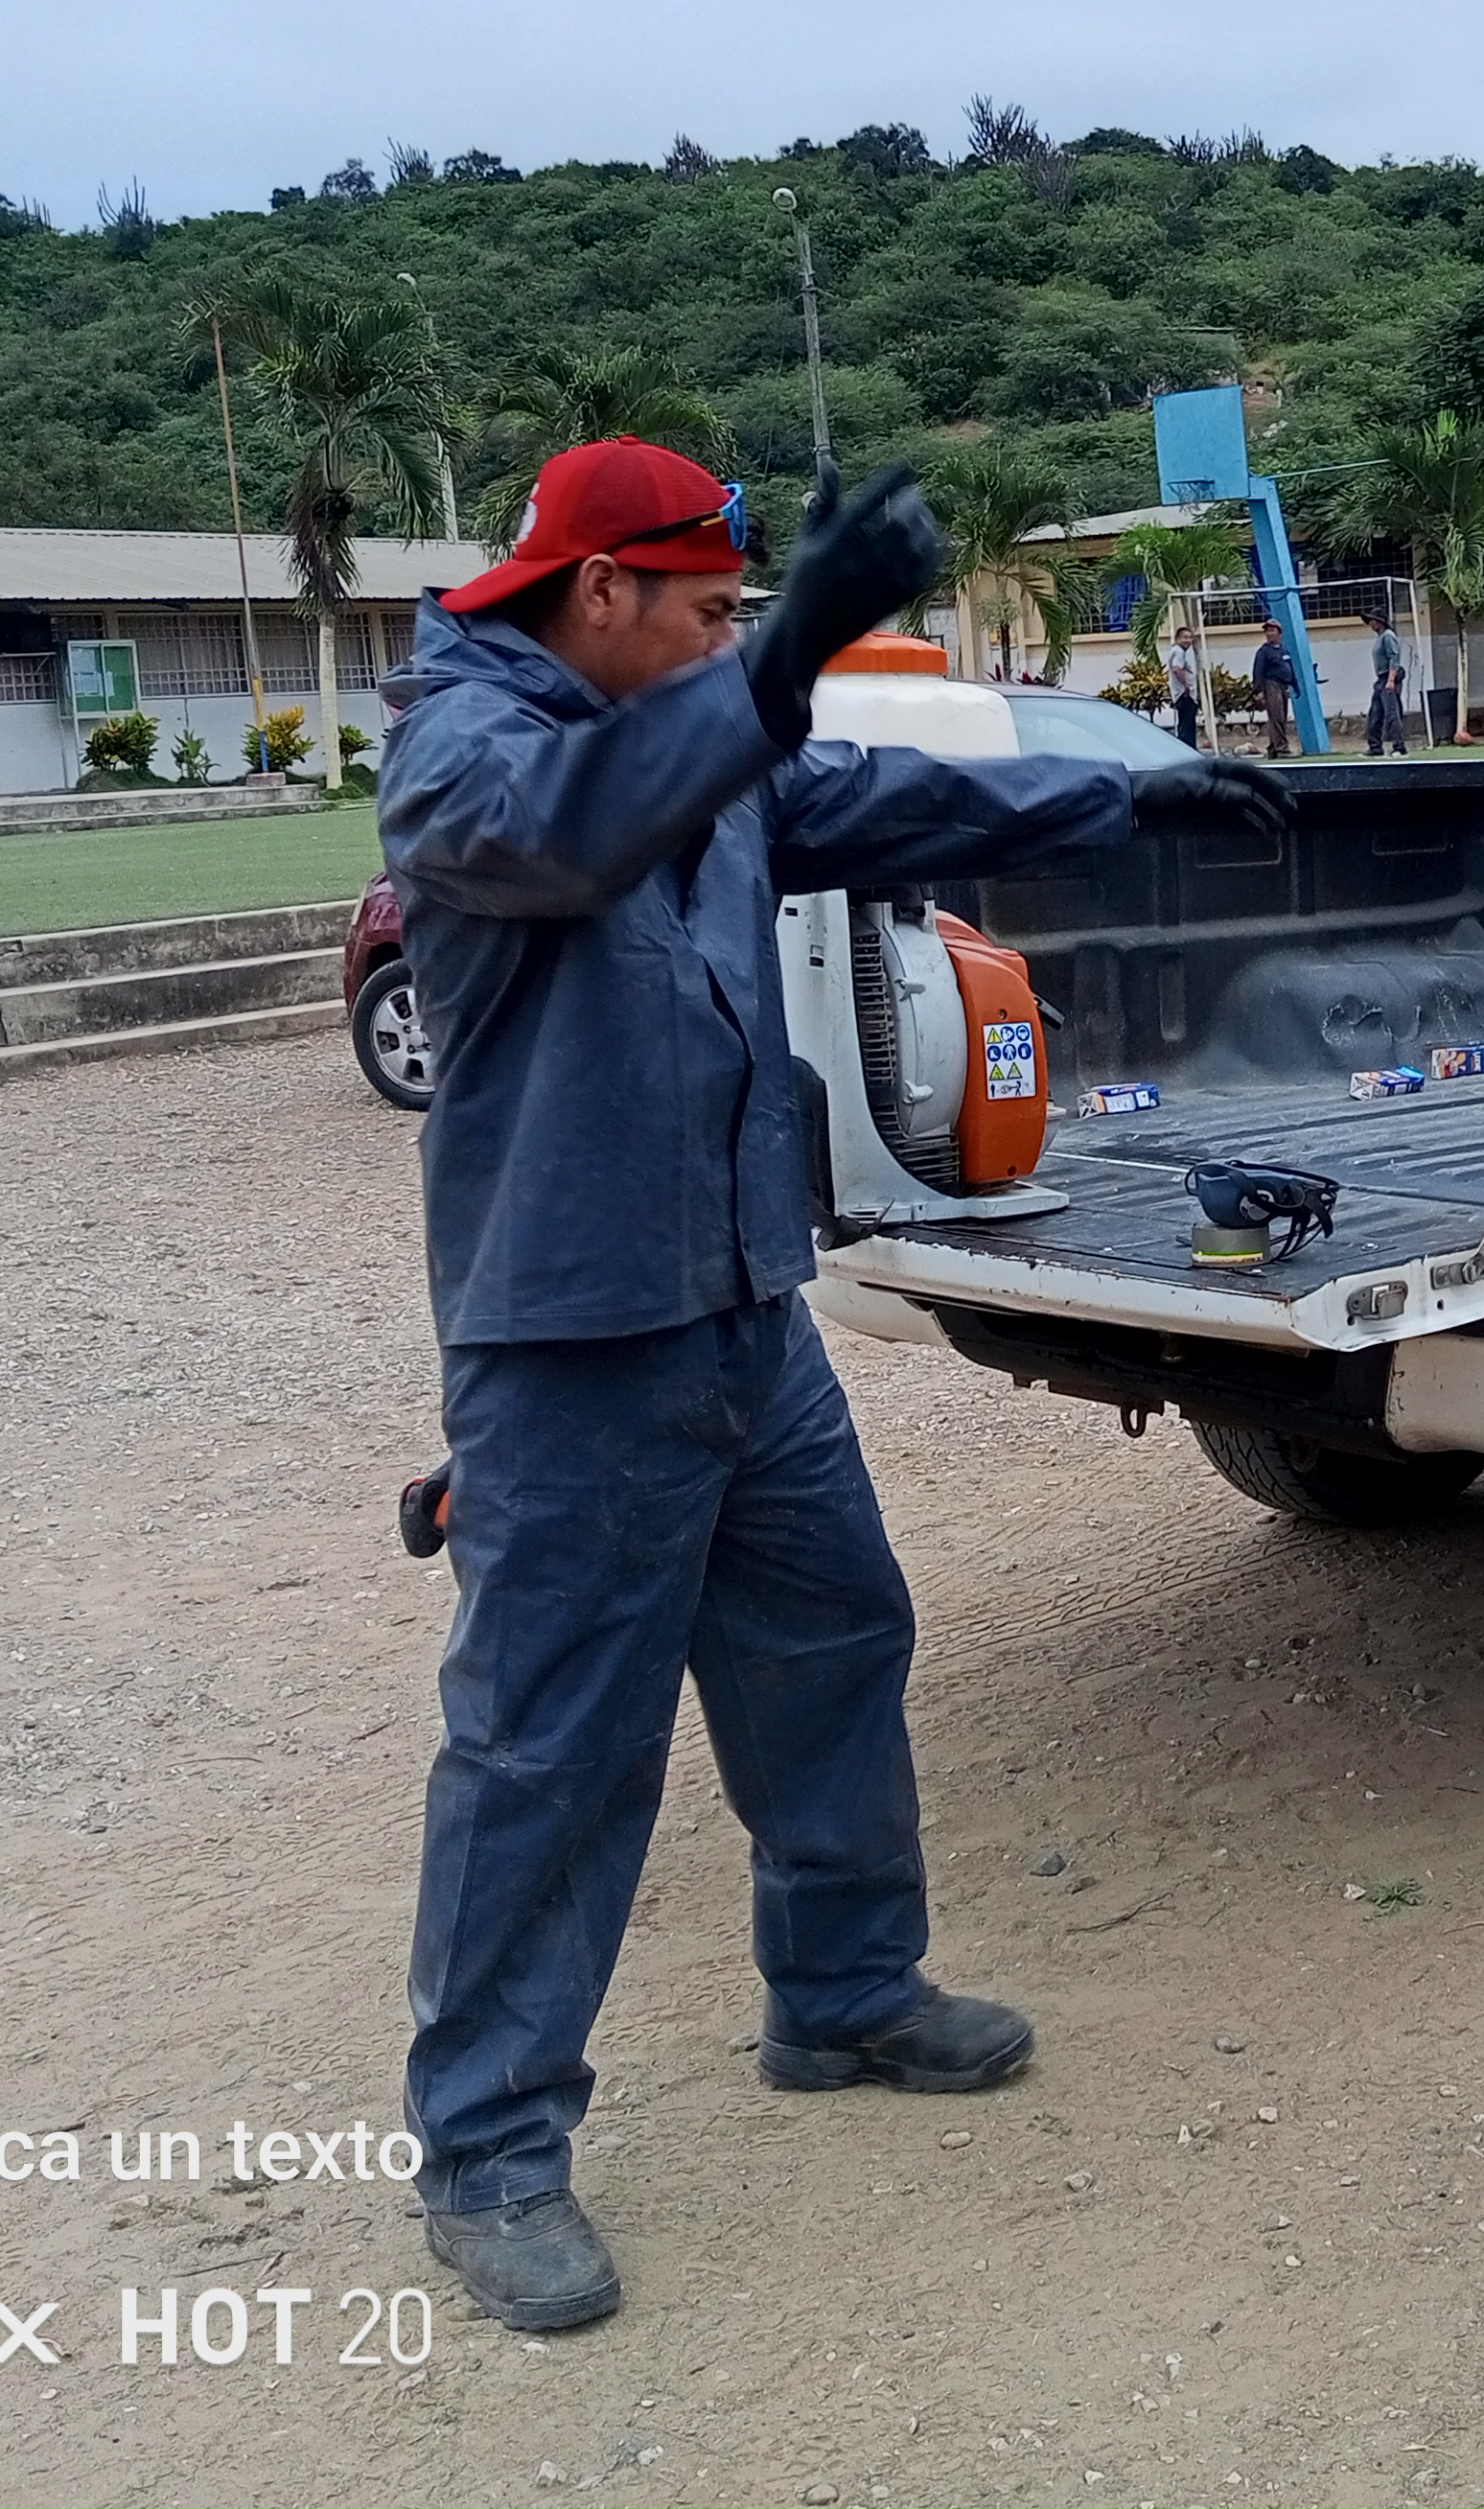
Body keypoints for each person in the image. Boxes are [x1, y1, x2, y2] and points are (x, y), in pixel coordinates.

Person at [379, 437, 1291, 2335]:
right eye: (709, 613)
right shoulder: (467, 752)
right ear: (601, 592)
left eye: (745, 617)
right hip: (575, 1344)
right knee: (553, 1746)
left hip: (740, 1301)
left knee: (832, 1638)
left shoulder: (692, 734)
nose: (730, 645)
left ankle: (844, 1991)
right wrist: (783, 653)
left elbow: (856, 793)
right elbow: (579, 826)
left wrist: (1121, 794)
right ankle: (487, 2149)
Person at [1250, 622, 1303, 760]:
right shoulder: (1264, 651)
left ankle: (1273, 748)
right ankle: (1281, 748)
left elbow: (1289, 667)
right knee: (1276, 716)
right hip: (1271, 685)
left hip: (1283, 685)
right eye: (1267, 631)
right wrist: (1258, 691)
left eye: (1272, 630)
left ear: (1279, 633)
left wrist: (1295, 684)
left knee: (1282, 717)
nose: (1269, 634)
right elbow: (1258, 671)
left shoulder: (1284, 649)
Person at [1364, 615, 1412, 756]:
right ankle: (1375, 746)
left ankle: (1399, 746)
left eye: (1373, 620)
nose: (1371, 623)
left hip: (1388, 677)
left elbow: (1394, 658)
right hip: (1381, 679)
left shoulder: (1388, 636)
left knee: (1392, 713)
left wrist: (1391, 680)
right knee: (1375, 714)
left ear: (1380, 622)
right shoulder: (1380, 637)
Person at [1164, 631, 1201, 750]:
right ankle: (1189, 750)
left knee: (1184, 724)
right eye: (1185, 637)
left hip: (1181, 694)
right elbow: (1177, 668)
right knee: (1187, 727)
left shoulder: (1176, 651)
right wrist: (1186, 685)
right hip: (1184, 695)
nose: (1188, 641)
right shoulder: (1179, 652)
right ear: (1177, 639)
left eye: (1190, 638)